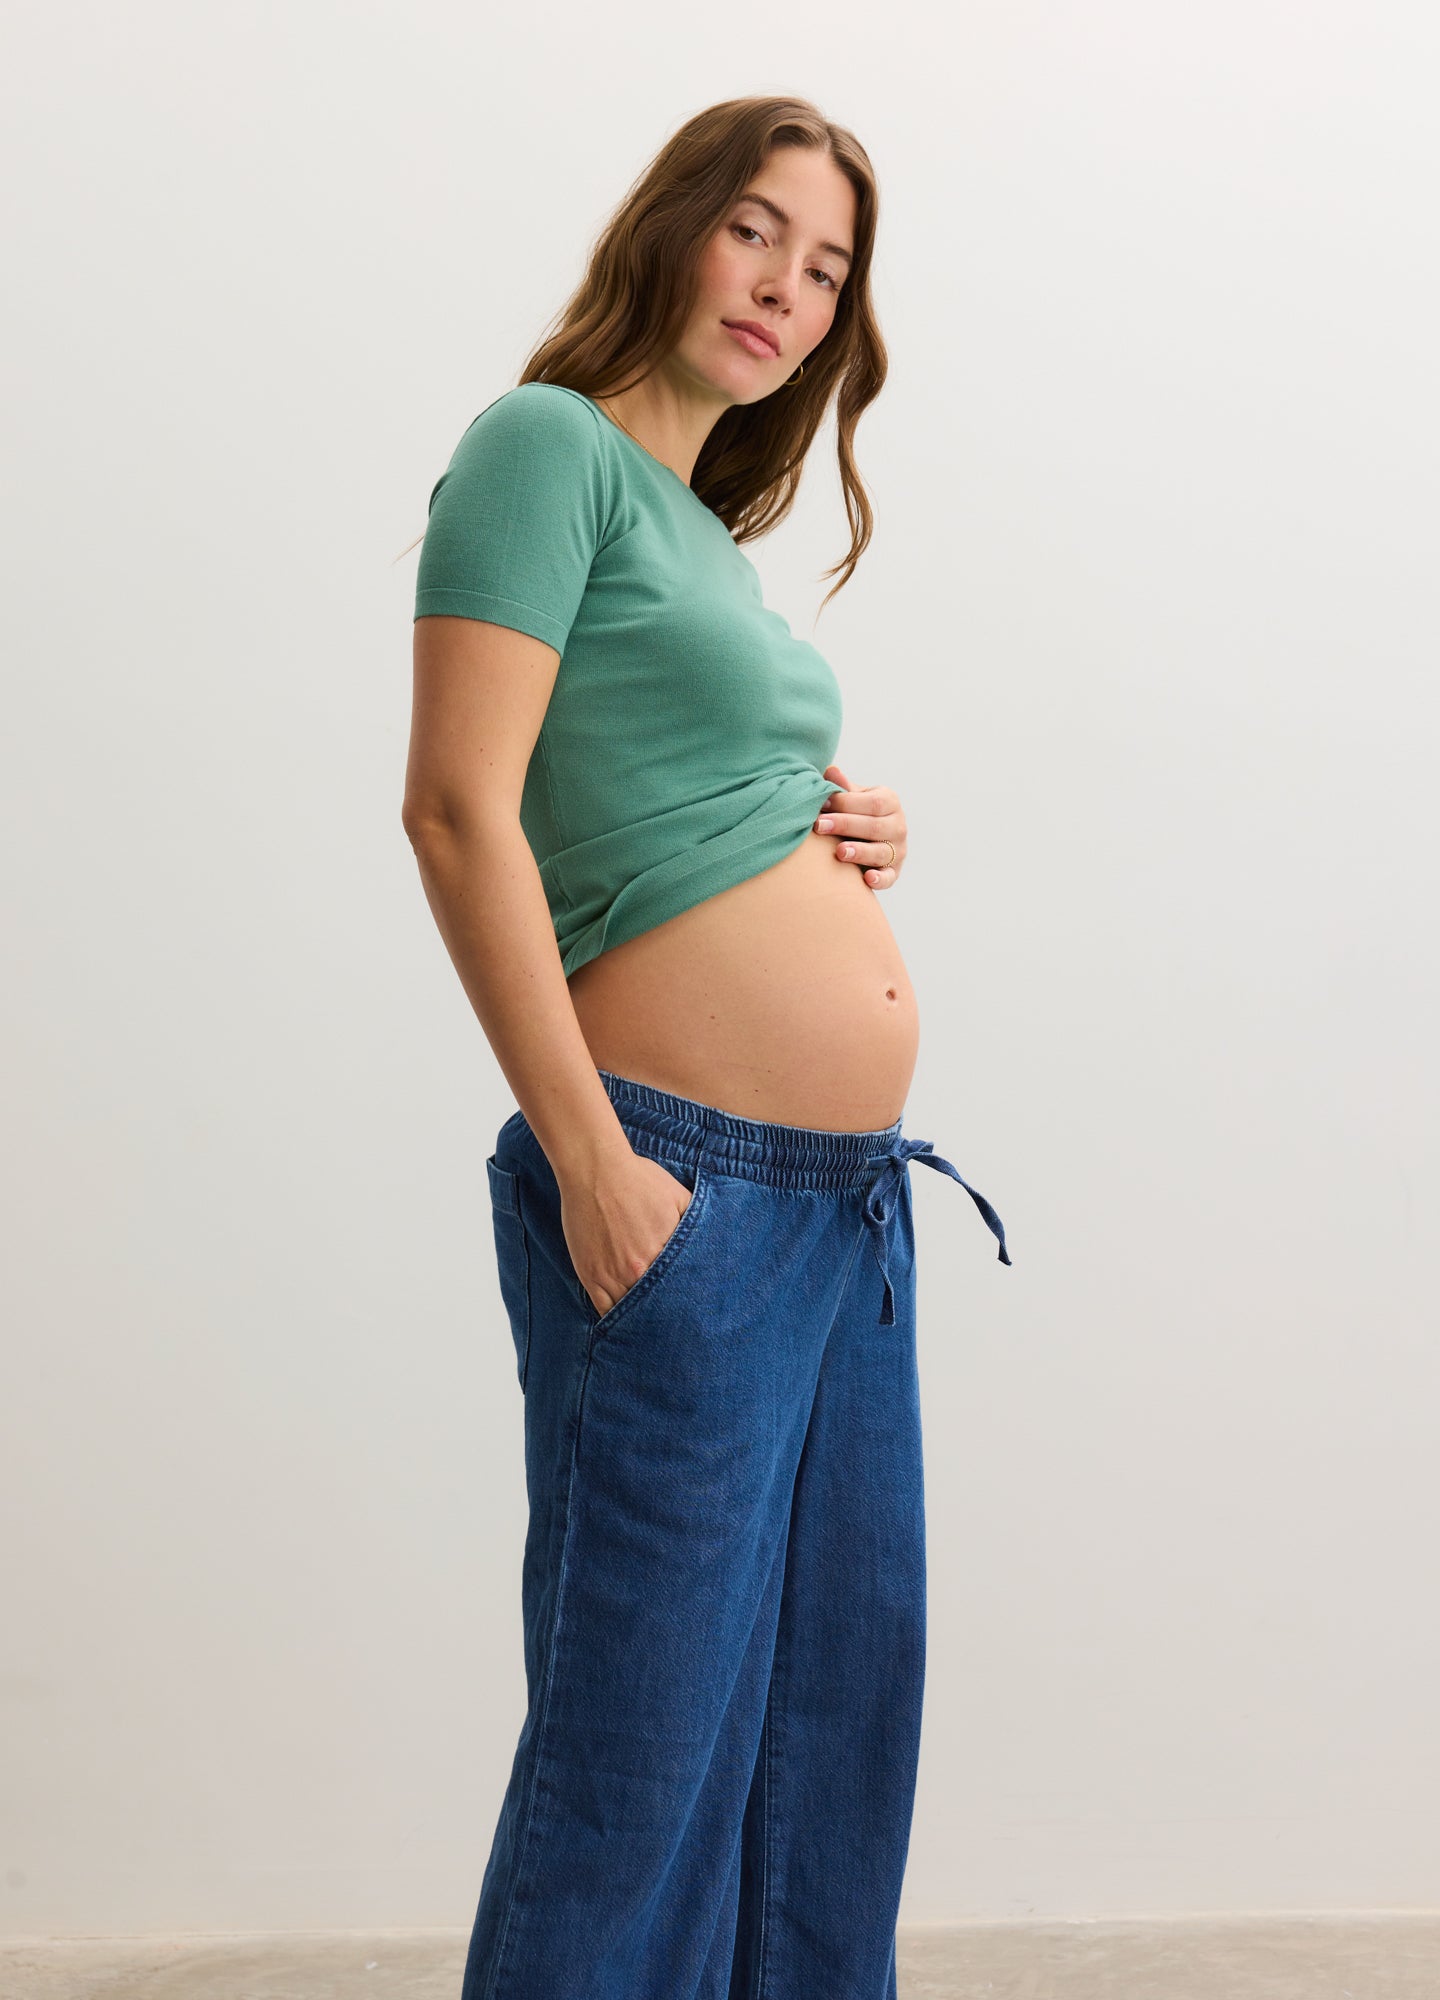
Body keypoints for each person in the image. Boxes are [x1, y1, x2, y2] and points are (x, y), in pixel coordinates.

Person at [401, 93, 1011, 2000]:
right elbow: (458, 811)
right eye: (757, 230)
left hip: (841, 1216)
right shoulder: (545, 449)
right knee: (640, 1762)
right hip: (679, 1190)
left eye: (826, 270)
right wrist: (591, 1158)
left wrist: (835, 824)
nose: (785, 289)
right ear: (672, 223)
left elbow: (656, 786)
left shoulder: (704, 537)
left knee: (828, 1744)